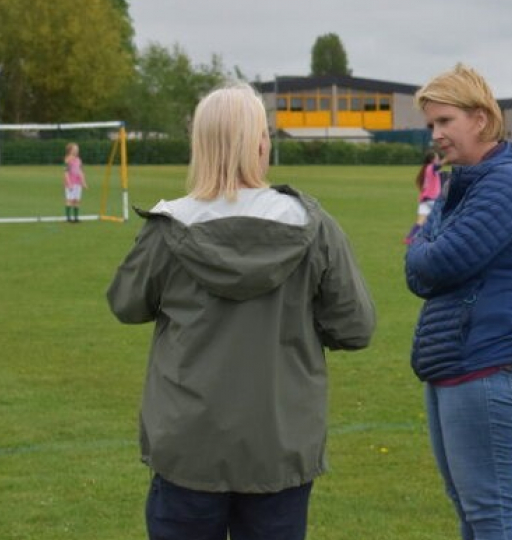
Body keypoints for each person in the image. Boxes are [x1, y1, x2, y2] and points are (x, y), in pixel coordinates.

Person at [106, 82, 376, 540]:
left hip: (189, 441)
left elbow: (127, 303)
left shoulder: (169, 228)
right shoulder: (313, 226)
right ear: (261, 142)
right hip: (278, 442)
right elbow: (354, 325)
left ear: (202, 145)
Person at [404, 64, 512, 540]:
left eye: (445, 121)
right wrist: (424, 251)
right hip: (456, 360)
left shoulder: (506, 183)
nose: (437, 134)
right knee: (472, 515)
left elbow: (435, 263)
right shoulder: (463, 184)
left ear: (482, 120)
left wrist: (423, 248)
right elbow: (420, 266)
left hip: (488, 364)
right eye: (432, 124)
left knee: (492, 519)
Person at [404, 150, 443, 244]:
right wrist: (448, 158)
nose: (438, 159)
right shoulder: (432, 167)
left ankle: (409, 238)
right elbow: (438, 166)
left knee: (420, 221)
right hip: (432, 198)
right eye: (437, 158)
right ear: (432, 159)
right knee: (440, 218)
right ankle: (435, 238)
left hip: (424, 199)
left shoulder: (426, 168)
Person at [63, 142, 87, 223]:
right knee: (70, 200)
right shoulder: (67, 160)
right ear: (70, 150)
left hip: (78, 183)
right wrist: (69, 183)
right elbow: (66, 172)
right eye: (75, 149)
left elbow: (80, 171)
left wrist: (83, 182)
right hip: (71, 183)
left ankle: (76, 218)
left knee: (77, 200)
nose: (76, 151)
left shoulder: (79, 160)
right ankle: (68, 218)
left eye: (77, 149)